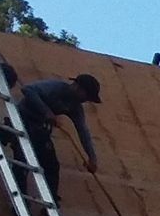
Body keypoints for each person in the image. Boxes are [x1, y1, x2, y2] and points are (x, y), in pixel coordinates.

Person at [17, 74, 100, 206]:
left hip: (40, 128)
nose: (86, 100)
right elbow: (28, 90)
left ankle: (50, 202)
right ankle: (20, 200)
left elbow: (83, 131)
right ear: (77, 87)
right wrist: (47, 112)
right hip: (21, 121)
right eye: (86, 95)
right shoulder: (55, 87)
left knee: (51, 165)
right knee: (21, 159)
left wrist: (92, 158)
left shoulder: (75, 106)